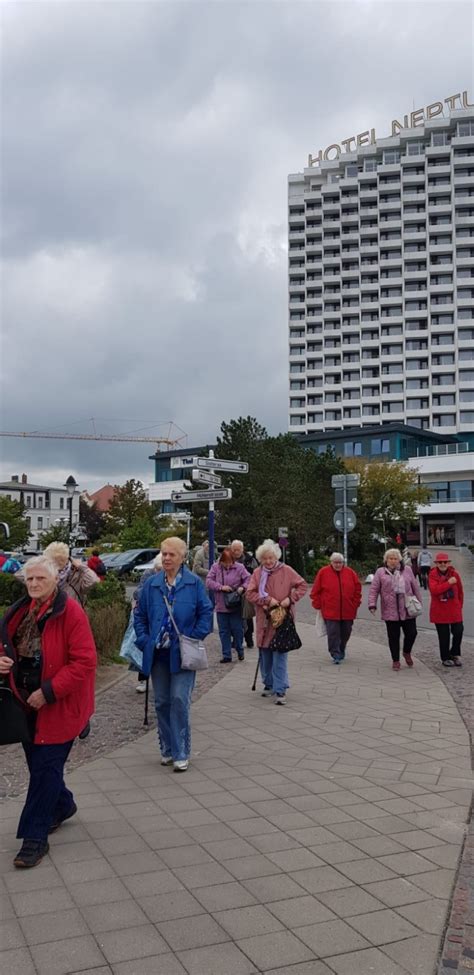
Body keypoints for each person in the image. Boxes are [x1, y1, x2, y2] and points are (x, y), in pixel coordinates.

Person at [0, 556, 96, 868]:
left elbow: (84, 662)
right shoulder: (20, 611)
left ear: (55, 579)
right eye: (29, 579)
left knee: (44, 770)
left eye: (40, 579)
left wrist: (49, 692)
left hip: (59, 705)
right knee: (42, 769)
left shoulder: (70, 612)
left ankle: (34, 839)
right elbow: (5, 645)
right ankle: (63, 805)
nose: (34, 584)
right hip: (25, 702)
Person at [134, 537, 212, 772]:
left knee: (179, 699)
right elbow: (140, 615)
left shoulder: (193, 583)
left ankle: (180, 751)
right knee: (162, 702)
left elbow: (205, 612)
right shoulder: (153, 584)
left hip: (183, 653)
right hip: (158, 653)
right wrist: (144, 639)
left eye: (172, 554)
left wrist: (194, 635)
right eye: (164, 554)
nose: (167, 558)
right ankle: (167, 747)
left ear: (182, 557)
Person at [246, 539, 307, 705]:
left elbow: (302, 586)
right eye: (265, 558)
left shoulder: (286, 570)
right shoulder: (258, 573)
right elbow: (250, 593)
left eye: (271, 558)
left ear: (276, 556)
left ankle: (280, 689)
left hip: (283, 621)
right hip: (265, 620)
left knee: (280, 655)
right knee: (265, 654)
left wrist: (290, 599)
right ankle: (269, 683)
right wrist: (266, 599)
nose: (268, 561)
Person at [368, 548, 422, 671]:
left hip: (407, 608)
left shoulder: (407, 570)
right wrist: (372, 604)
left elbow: (415, 587)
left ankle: (406, 651)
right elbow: (374, 589)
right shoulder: (381, 572)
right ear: (386, 560)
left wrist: (419, 603)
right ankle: (396, 660)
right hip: (390, 610)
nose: (393, 561)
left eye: (395, 558)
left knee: (412, 633)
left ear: (399, 559)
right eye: (390, 558)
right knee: (393, 637)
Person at [310, 553, 361, 664]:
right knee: (333, 633)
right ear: (331, 562)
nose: (338, 565)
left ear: (343, 563)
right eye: (335, 562)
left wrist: (355, 603)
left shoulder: (350, 573)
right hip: (330, 610)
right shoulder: (323, 572)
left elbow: (358, 589)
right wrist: (318, 604)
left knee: (346, 632)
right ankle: (335, 653)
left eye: (340, 562)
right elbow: (315, 591)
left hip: (348, 610)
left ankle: (341, 648)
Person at [206, 548, 250, 662]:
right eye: (226, 563)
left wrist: (242, 587)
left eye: (230, 563)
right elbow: (209, 581)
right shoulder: (215, 567)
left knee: (237, 630)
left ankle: (240, 650)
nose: (228, 565)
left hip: (235, 605)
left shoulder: (239, 567)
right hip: (221, 604)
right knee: (224, 631)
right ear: (221, 561)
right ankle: (226, 655)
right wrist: (220, 587)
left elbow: (249, 579)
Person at [428, 552, 464, 668]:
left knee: (458, 631)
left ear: (448, 563)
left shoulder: (455, 574)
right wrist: (449, 583)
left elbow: (460, 591)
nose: (443, 564)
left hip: (454, 609)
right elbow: (435, 590)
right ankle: (445, 658)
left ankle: (454, 653)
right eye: (440, 562)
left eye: (445, 562)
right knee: (444, 636)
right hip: (439, 610)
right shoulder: (433, 574)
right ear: (437, 563)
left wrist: (459, 605)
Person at [134, 553, 162, 693]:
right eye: (157, 570)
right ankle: (143, 679)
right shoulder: (148, 575)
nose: (159, 573)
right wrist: (148, 592)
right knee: (145, 649)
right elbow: (137, 592)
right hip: (149, 619)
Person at [42, 542, 99, 606]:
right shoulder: (45, 574)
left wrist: (81, 566)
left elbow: (93, 580)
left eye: (59, 561)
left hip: (72, 612)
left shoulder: (76, 574)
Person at [230, 540, 258, 648]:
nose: (236, 552)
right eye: (234, 550)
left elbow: (257, 574)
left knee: (247, 615)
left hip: (247, 592)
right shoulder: (227, 559)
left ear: (242, 549)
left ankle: (249, 637)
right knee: (234, 616)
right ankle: (237, 639)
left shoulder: (250, 560)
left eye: (238, 550)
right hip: (233, 592)